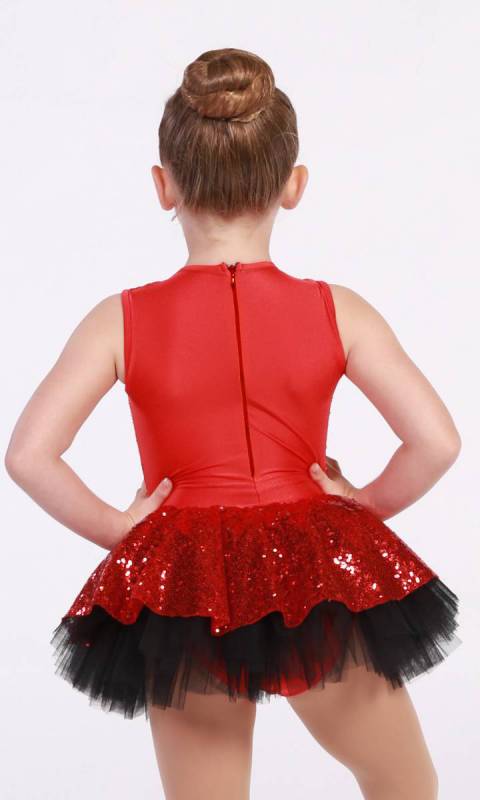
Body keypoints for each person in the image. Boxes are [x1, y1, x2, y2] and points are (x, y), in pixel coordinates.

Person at [5, 47, 462, 800]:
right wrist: (363, 505)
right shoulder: (337, 310)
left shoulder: (119, 320)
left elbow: (29, 454)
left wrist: (119, 529)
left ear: (164, 185)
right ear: (294, 185)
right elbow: (437, 441)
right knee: (404, 783)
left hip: (186, 584)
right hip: (317, 575)